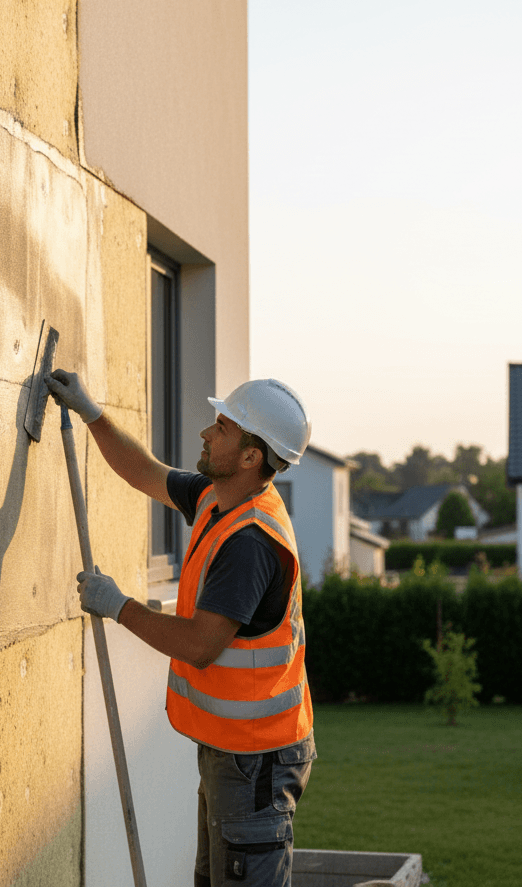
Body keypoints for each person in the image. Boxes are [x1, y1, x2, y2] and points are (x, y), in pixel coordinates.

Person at [46, 369, 317, 887]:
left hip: (257, 759)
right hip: (233, 749)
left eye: (222, 427)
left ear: (250, 457)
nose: (206, 433)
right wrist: (91, 413)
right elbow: (146, 472)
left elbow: (199, 645)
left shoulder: (251, 542)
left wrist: (119, 606)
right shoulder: (221, 498)